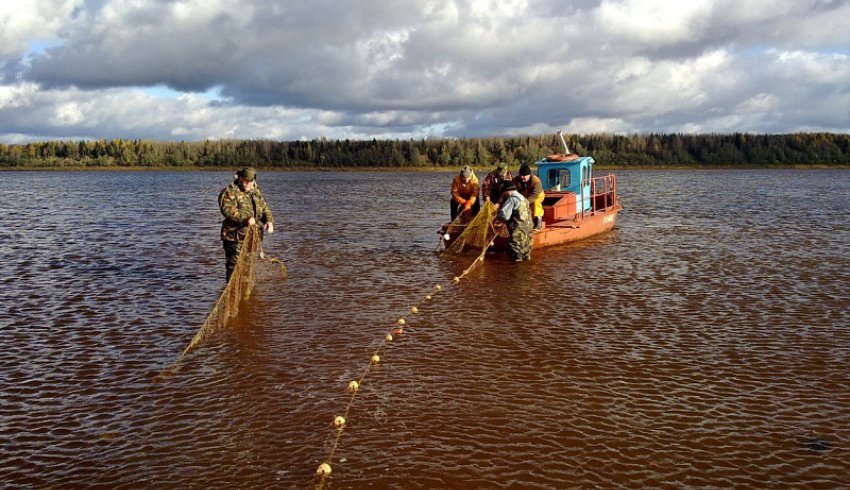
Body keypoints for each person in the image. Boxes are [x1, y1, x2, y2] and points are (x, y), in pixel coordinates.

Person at [218, 166, 275, 282]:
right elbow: (227, 210)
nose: (245, 184)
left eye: (248, 181)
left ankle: (247, 292)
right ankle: (232, 294)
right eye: (243, 180)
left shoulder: (255, 191)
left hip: (251, 237)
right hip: (233, 236)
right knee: (234, 267)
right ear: (240, 178)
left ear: (254, 181)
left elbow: (264, 208)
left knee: (248, 267)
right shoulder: (229, 192)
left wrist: (268, 221)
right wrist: (246, 219)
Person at [496, 181, 533, 261]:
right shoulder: (524, 198)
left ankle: (516, 272)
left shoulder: (512, 199)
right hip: (528, 232)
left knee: (516, 254)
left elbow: (504, 216)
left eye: (504, 192)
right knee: (526, 255)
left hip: (518, 231)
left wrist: (496, 217)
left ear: (508, 191)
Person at [514, 163, 545, 231]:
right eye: (521, 175)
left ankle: (538, 223)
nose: (522, 177)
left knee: (536, 203)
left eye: (524, 175)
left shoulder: (536, 181)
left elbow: (534, 195)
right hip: (524, 195)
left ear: (529, 175)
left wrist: (525, 203)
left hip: (537, 195)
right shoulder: (515, 180)